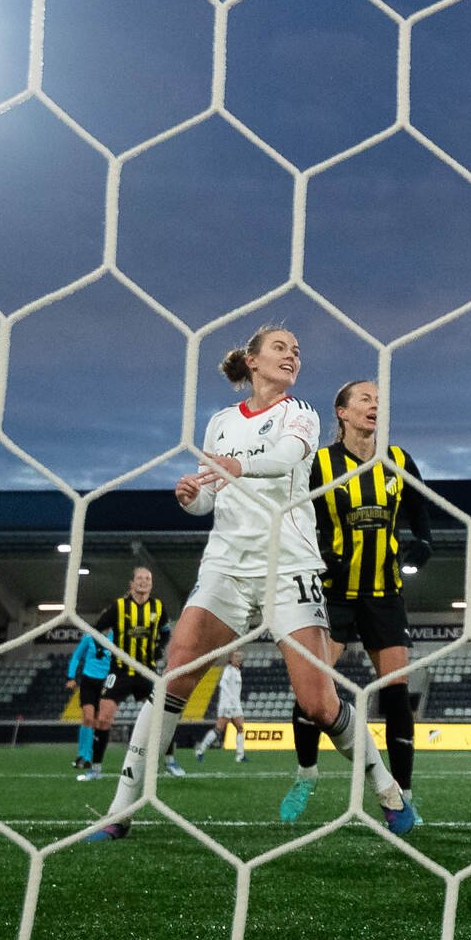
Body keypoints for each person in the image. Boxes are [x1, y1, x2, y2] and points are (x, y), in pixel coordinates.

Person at [84, 326, 415, 841]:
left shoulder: (299, 414)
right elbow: (206, 500)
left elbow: (283, 460)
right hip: (226, 566)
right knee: (175, 673)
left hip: (289, 566)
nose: (292, 357)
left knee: (318, 704)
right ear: (252, 361)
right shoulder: (218, 423)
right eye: (280, 348)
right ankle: (119, 810)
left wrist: (234, 465)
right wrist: (190, 493)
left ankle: (387, 789)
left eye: (297, 351)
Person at [281, 378, 435, 821]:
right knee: (314, 690)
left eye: (380, 400)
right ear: (343, 413)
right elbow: (294, 513)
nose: (375, 406)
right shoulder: (320, 463)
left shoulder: (399, 460)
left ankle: (402, 793)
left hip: (385, 594)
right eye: (365, 399)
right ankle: (306, 772)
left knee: (396, 694)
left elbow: (420, 512)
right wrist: (316, 551)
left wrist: (422, 542)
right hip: (333, 595)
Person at [80, 568, 183, 782]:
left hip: (147, 671)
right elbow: (97, 629)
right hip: (120, 670)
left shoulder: (158, 607)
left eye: (148, 579)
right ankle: (95, 769)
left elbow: (165, 633)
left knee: (163, 717)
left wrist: (159, 647)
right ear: (132, 583)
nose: (144, 582)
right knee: (104, 717)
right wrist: (100, 648)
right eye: (140, 579)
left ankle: (170, 761)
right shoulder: (119, 606)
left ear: (151, 584)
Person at [65, 623, 114, 772]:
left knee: (98, 722)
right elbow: (76, 656)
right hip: (88, 681)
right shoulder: (89, 637)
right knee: (88, 717)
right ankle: (82, 756)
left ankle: (93, 757)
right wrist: (71, 676)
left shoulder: (116, 638)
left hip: (105, 683)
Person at [194, 650, 247, 764]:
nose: (239, 659)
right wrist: (231, 697)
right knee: (219, 729)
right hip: (227, 704)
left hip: (235, 704)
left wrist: (235, 700)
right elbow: (222, 683)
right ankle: (200, 750)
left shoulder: (237, 671)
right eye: (236, 656)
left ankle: (240, 755)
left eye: (240, 656)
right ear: (230, 659)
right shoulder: (228, 670)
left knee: (240, 728)